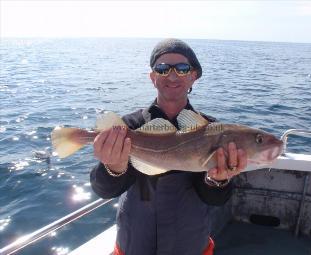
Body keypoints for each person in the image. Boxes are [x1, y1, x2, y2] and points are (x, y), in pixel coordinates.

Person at [90, 38, 248, 255]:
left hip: (189, 245)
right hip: (135, 245)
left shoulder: (213, 131)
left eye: (183, 68)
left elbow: (216, 199)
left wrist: (217, 180)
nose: (172, 75)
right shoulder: (128, 127)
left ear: (194, 76)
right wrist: (113, 168)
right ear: (153, 78)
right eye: (162, 69)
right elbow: (104, 189)